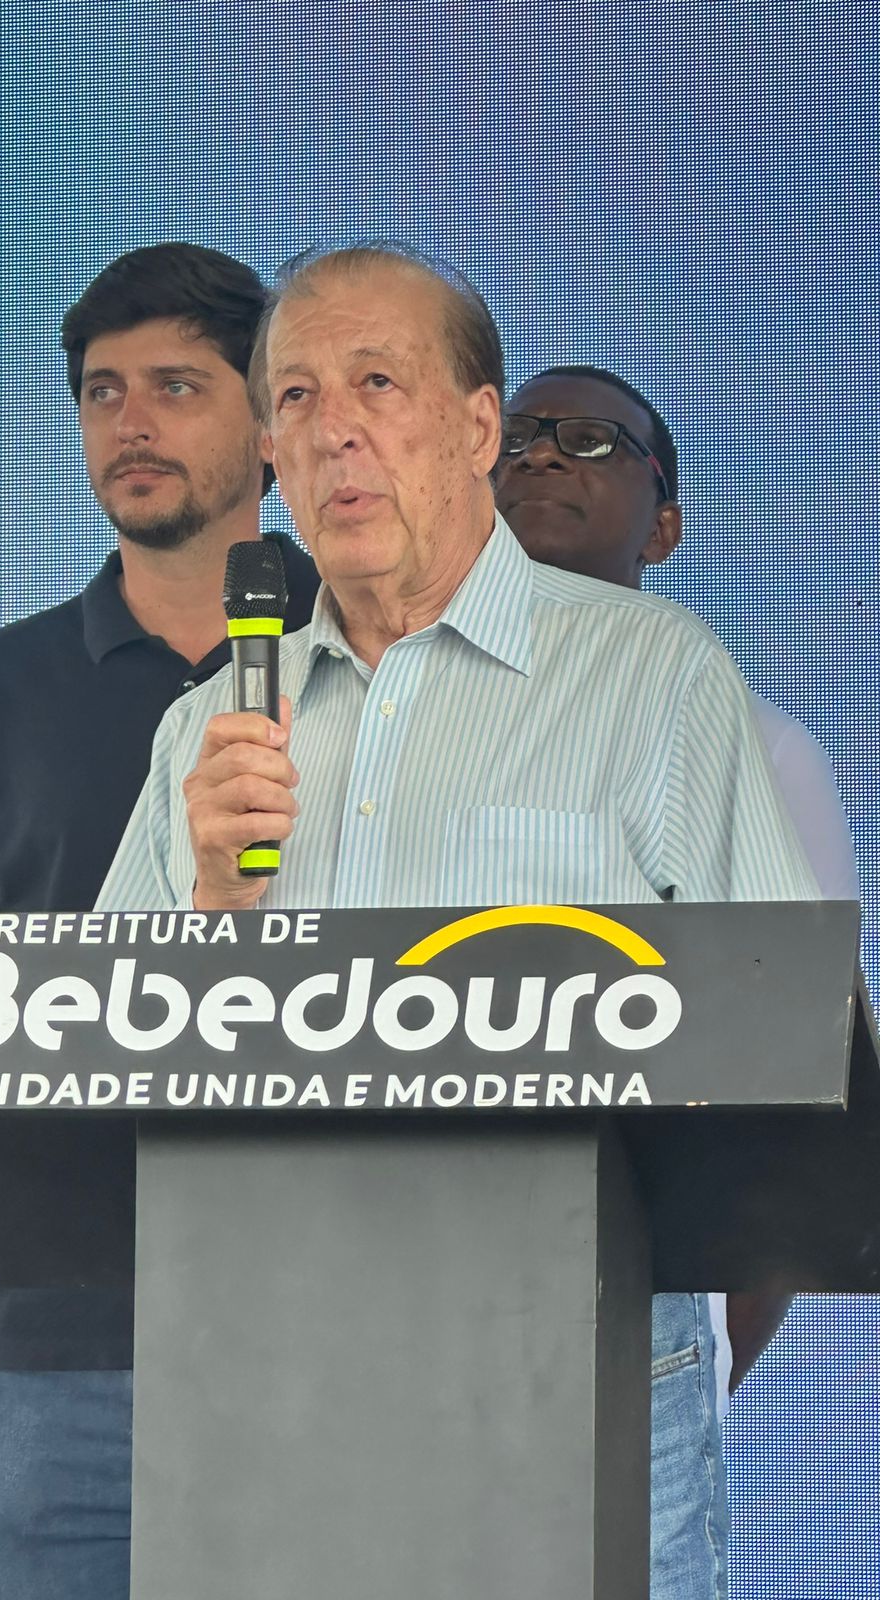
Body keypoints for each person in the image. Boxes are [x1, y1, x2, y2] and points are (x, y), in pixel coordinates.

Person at [94, 243, 820, 1600]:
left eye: (378, 382)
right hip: (279, 1384)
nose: (336, 429)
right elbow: (92, 1073)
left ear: (479, 427)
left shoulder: (654, 677)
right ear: (270, 454)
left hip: (572, 1368)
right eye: (297, 397)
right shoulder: (208, 729)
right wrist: (213, 904)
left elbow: (785, 1052)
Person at [0, 243, 321, 1597]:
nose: (132, 422)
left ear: (271, 425)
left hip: (336, 1337)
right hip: (50, 1365)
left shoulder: (377, 664)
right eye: (104, 393)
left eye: (176, 385)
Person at [492, 361, 858, 1581]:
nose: (543, 453)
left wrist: (684, 1361)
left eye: (592, 439)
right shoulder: (379, 733)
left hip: (627, 1352)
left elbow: (801, 1100)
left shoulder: (758, 748)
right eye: (518, 435)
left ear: (665, 524)